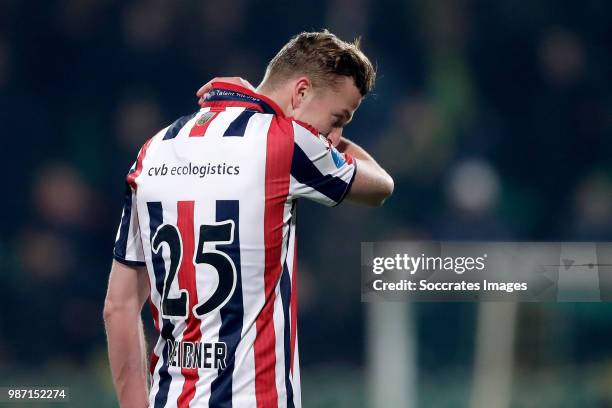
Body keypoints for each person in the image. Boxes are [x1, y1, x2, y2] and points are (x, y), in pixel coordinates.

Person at [103, 30, 393, 408]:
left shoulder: (154, 150)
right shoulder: (287, 142)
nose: (334, 133)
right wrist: (330, 140)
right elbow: (381, 186)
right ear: (301, 92)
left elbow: (118, 305)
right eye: (338, 118)